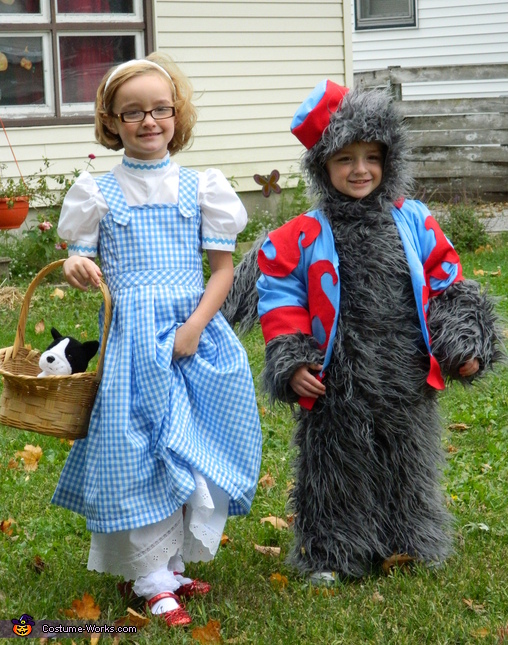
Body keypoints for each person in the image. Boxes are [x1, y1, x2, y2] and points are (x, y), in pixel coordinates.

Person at [226, 79, 502, 584]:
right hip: (336, 377)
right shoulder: (304, 233)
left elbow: (446, 283)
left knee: (407, 458)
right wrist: (292, 359)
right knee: (334, 465)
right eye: (344, 159)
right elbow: (281, 296)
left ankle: (408, 538)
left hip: (405, 374)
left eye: (372, 157)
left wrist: (464, 344)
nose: (360, 170)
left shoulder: (413, 219)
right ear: (322, 167)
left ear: (389, 161)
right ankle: (330, 552)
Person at [54, 53, 262, 626]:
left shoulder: (202, 186)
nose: (149, 122)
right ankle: (147, 572)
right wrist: (76, 264)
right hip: (133, 344)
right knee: (139, 446)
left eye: (160, 110)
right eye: (133, 113)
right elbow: (80, 256)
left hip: (193, 333)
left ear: (178, 113)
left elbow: (222, 269)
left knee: (196, 438)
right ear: (111, 120)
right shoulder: (99, 191)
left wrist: (195, 327)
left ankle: (170, 561)